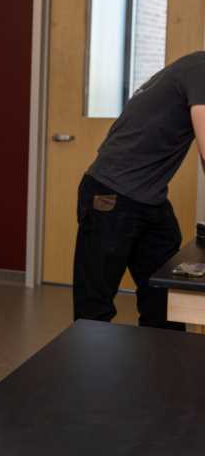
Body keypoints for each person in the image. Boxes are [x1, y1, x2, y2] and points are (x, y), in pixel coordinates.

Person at [73, 51, 205, 331]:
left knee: (165, 294)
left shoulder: (190, 68)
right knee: (94, 305)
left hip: (150, 197)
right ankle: (88, 370)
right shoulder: (200, 70)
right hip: (111, 191)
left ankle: (162, 364)